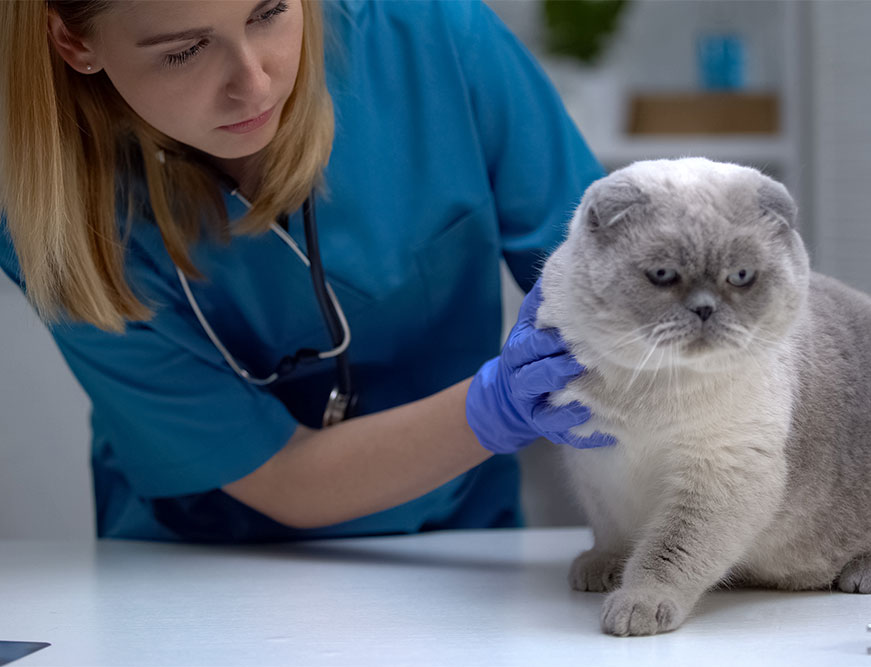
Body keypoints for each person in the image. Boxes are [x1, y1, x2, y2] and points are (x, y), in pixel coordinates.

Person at [0, 0, 615, 542]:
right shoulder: (46, 212)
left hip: (456, 550)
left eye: (269, 13)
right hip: (192, 579)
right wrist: (498, 406)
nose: (254, 83)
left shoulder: (429, 35)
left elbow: (616, 277)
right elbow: (279, 477)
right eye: (184, 51)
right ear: (75, 43)